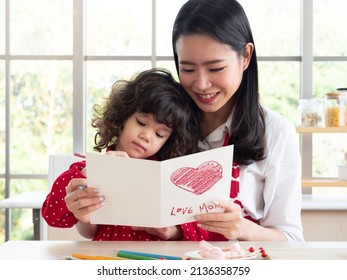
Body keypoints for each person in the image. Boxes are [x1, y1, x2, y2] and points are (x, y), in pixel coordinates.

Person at [136, 0, 304, 241]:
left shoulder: (276, 132)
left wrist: (242, 228)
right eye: (188, 69)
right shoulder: (159, 122)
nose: (201, 84)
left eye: (215, 69)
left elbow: (292, 240)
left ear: (245, 56)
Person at [41, 68, 202, 241]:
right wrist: (92, 172)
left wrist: (173, 230)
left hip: (158, 260)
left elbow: (203, 225)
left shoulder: (171, 176)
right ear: (123, 116)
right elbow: (52, 215)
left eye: (159, 134)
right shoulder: (88, 169)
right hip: (107, 259)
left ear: (168, 140)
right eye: (141, 122)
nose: (146, 136)